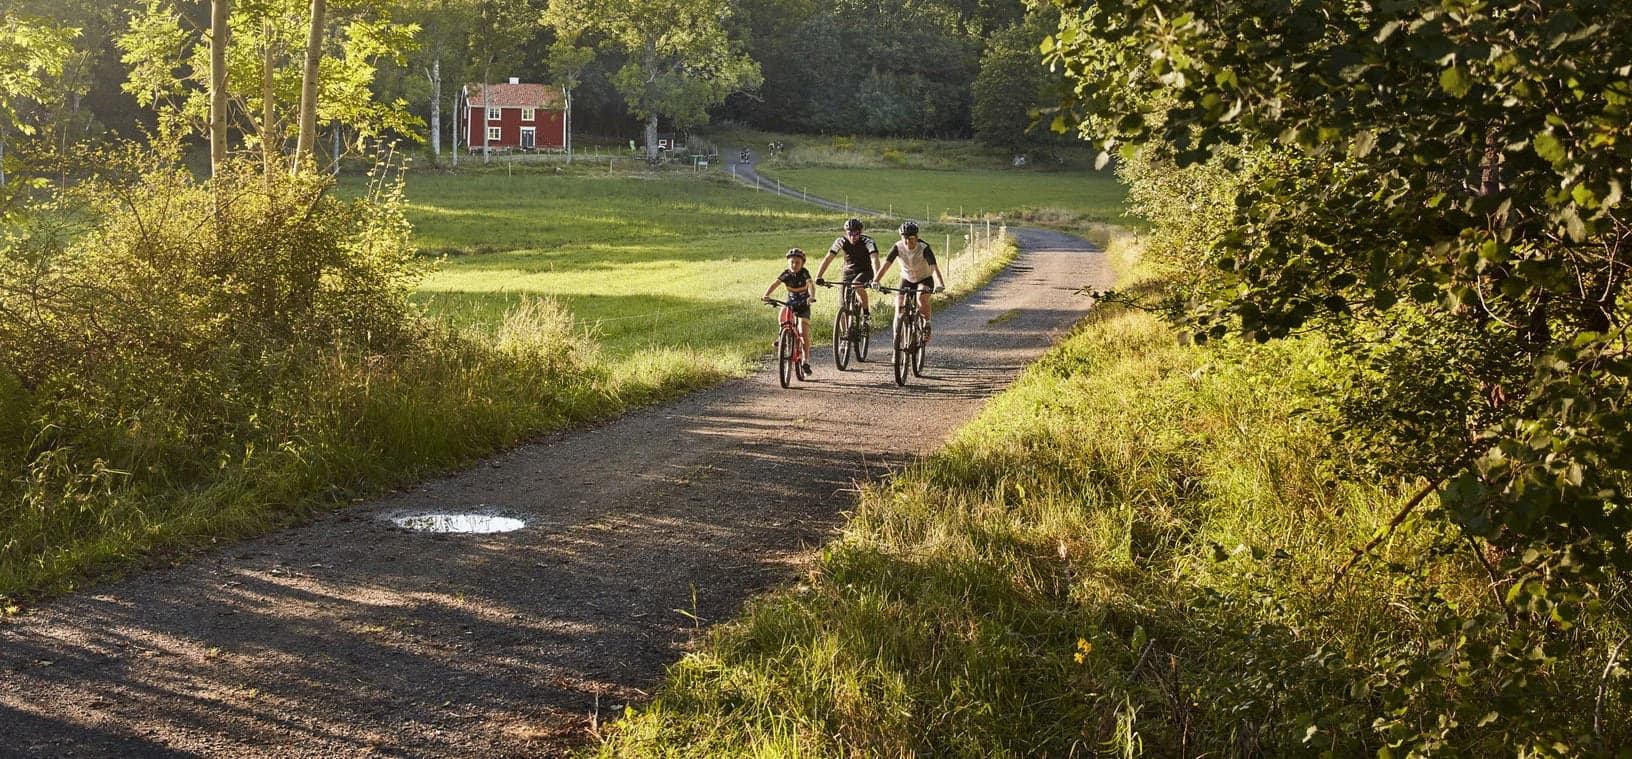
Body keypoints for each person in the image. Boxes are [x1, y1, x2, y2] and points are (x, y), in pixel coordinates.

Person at [874, 221, 945, 342]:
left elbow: (933, 267)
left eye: (911, 239)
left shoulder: (924, 248)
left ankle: (926, 324)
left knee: (921, 297)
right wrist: (876, 281)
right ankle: (897, 340)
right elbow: (886, 265)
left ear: (917, 238)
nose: (908, 242)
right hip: (906, 278)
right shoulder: (897, 247)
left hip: (924, 278)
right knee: (899, 305)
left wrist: (940, 284)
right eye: (905, 239)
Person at [814, 218, 881, 323]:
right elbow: (828, 258)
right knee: (842, 306)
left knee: (856, 284)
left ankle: (866, 313)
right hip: (848, 272)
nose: (852, 237)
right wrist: (819, 276)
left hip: (865, 271)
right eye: (849, 233)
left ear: (861, 232)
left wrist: (876, 279)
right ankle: (844, 337)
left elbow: (875, 259)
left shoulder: (868, 241)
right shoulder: (841, 241)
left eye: (855, 234)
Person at [762, 248, 816, 374]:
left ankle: (805, 361)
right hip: (791, 303)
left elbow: (811, 285)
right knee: (782, 311)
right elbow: (775, 284)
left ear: (802, 263)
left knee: (803, 332)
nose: (794, 265)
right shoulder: (786, 274)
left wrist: (811, 296)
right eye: (792, 262)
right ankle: (781, 336)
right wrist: (767, 295)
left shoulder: (804, 273)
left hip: (803, 305)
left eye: (797, 262)